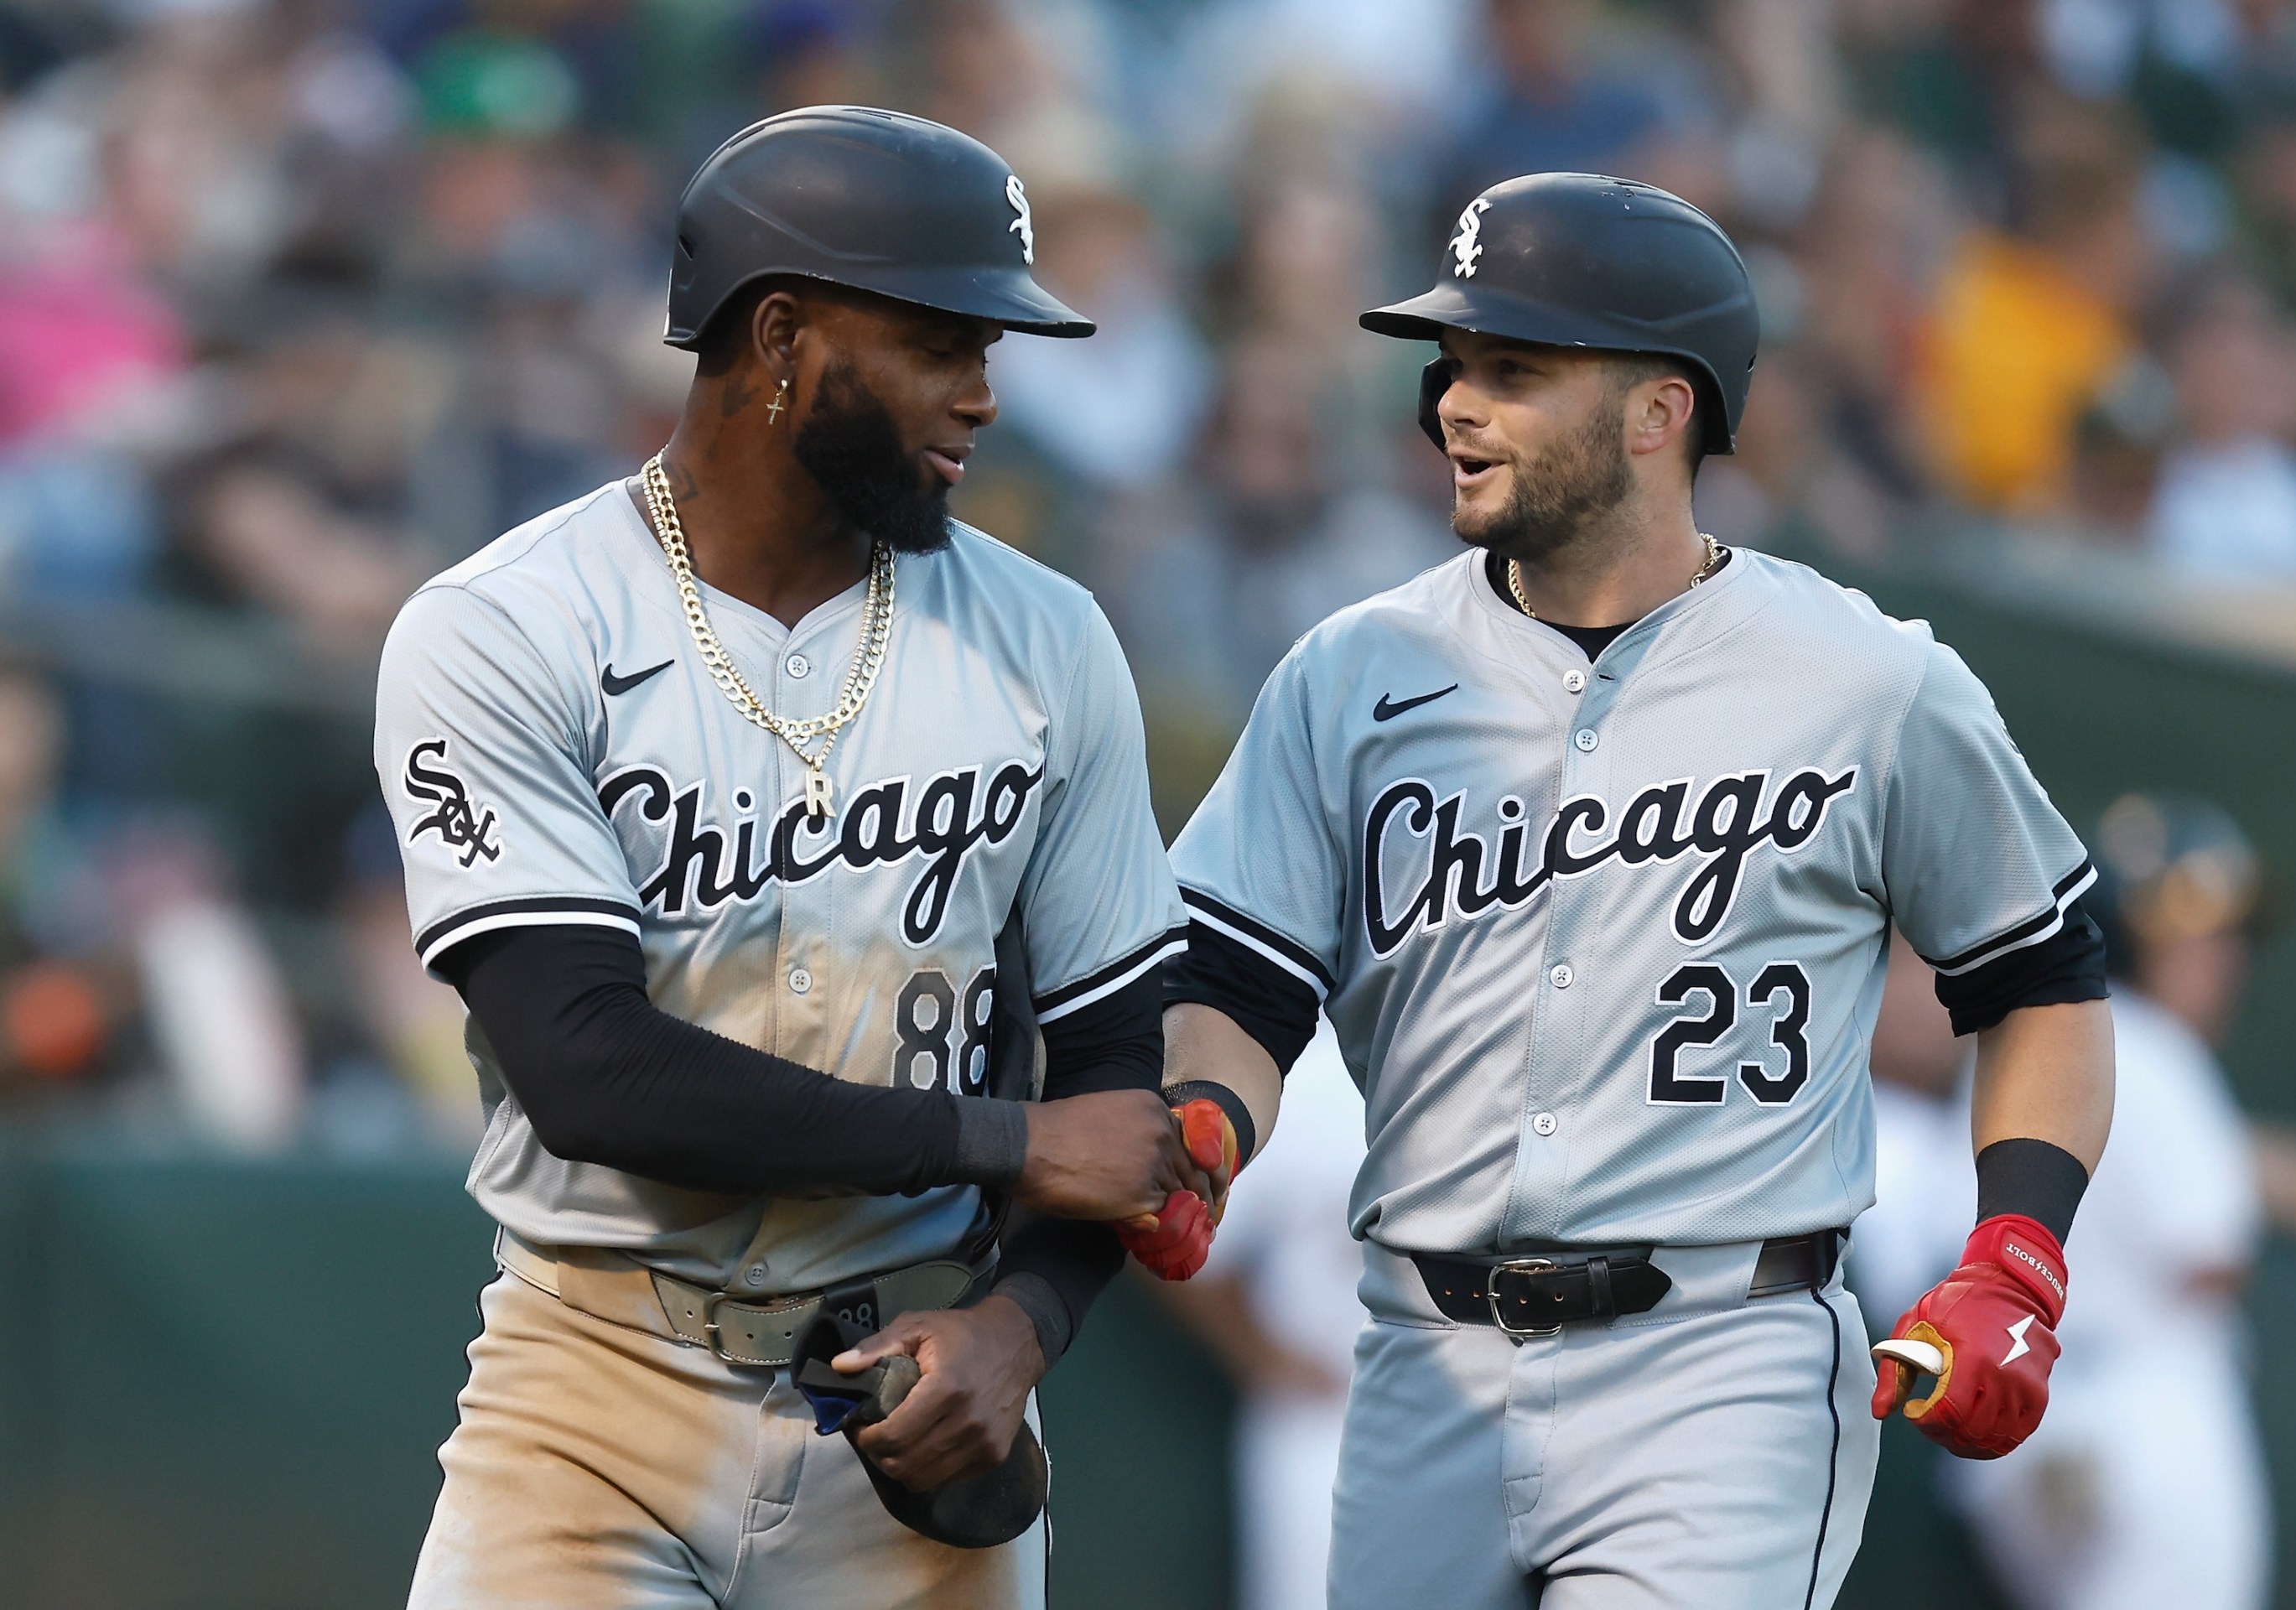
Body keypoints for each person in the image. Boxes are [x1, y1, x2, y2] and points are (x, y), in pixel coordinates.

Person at [1139, 173, 2117, 1608]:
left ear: (1662, 413)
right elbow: (1235, 981)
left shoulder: (1870, 677)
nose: (1455, 405)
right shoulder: (1348, 673)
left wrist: (2017, 1254)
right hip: (1420, 1355)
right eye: (1455, 366)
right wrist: (1206, 1127)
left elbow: (2041, 978)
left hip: (1721, 1358)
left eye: (1515, 370)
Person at [375, 107, 1212, 1610]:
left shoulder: (1049, 641)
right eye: (945, 343)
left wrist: (1021, 1328)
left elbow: (1115, 1080)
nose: (985, 394)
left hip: (917, 1393)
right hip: (593, 1387)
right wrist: (1002, 1146)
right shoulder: (504, 626)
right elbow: (589, 1072)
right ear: (783, 337)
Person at [1864, 794, 2296, 1610]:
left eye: (2227, 940)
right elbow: (2215, 1265)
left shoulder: (2026, 1050)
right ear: (2127, 929)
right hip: (2141, 1418)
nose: (2222, 963)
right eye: (2194, 938)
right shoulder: (2155, 1048)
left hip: (2015, 1430)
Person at [1151, 1021, 1367, 1610]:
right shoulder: (1308, 1076)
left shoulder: (1490, 1068)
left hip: (1480, 1405)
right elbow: (1171, 1231)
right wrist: (1265, 1360)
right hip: (1325, 1422)